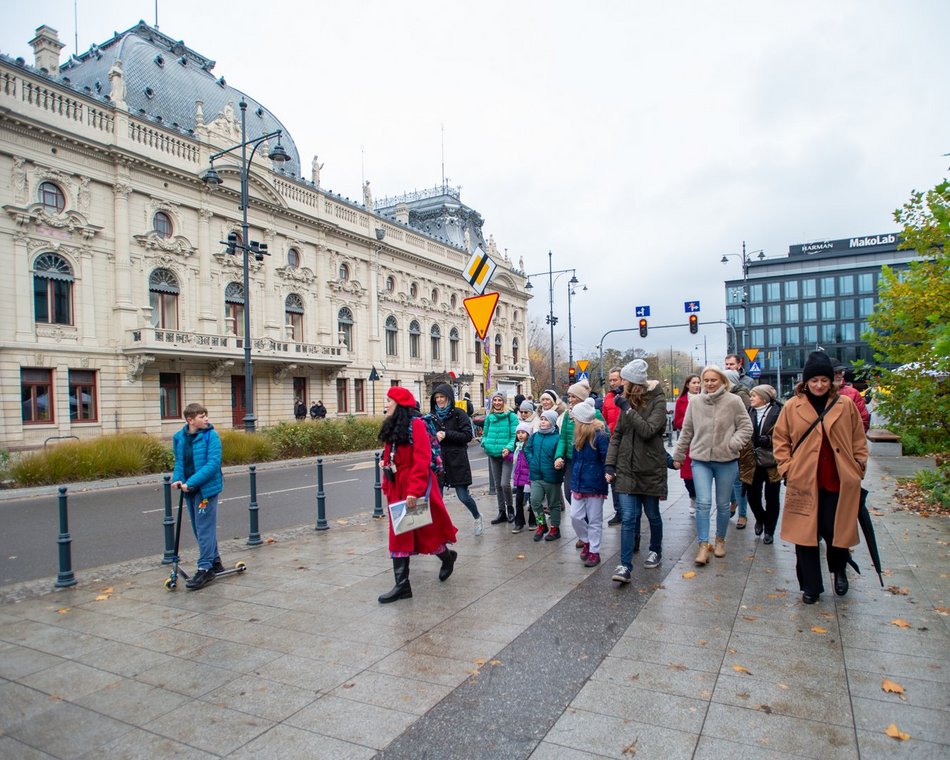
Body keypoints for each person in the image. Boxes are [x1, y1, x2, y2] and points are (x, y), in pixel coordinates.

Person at [773, 351, 868, 605]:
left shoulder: (844, 404)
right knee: (805, 535)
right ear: (805, 381)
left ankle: (839, 569)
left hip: (838, 479)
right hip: (804, 479)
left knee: (835, 531)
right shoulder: (793, 406)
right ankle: (811, 587)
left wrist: (859, 465)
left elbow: (859, 437)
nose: (818, 385)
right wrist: (787, 467)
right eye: (813, 380)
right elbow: (780, 439)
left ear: (832, 381)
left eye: (824, 380)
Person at [377, 387, 459, 604]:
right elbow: (389, 456)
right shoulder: (391, 425)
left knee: (426, 533)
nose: (385, 404)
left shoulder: (416, 425)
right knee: (399, 533)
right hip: (398, 485)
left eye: (389, 401)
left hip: (415, 485)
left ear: (399, 404)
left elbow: (422, 460)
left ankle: (447, 556)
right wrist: (386, 471)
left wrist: (414, 490)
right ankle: (402, 585)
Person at [673, 366, 753, 566]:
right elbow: (687, 430)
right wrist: (679, 454)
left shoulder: (733, 401)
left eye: (713, 380)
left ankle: (720, 540)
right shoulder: (695, 402)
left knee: (723, 504)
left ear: (722, 381)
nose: (708, 383)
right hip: (700, 460)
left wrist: (733, 443)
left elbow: (746, 426)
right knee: (703, 502)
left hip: (726, 460)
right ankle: (702, 545)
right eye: (705, 380)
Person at [606, 359, 668, 583]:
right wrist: (610, 464)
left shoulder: (657, 400)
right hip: (626, 469)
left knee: (652, 515)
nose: (620, 384)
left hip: (649, 468)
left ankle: (655, 550)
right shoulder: (627, 402)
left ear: (634, 382)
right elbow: (618, 435)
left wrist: (628, 409)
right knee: (629, 517)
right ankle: (624, 565)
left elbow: (649, 430)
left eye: (623, 380)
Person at [171, 403, 224, 590]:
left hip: (206, 490)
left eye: (206, 416)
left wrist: (191, 482)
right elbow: (179, 463)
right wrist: (177, 479)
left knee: (204, 529)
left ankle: (205, 568)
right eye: (202, 417)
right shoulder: (179, 438)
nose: (206, 419)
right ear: (190, 420)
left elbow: (212, 464)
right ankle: (215, 561)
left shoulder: (212, 436)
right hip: (189, 490)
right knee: (199, 528)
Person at [429, 383, 483, 536]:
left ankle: (477, 516)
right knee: (437, 498)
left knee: (463, 496)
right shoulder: (432, 416)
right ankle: (439, 528)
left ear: (449, 398)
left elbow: (467, 436)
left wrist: (446, 434)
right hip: (438, 461)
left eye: (442, 397)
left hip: (457, 460)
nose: (439, 400)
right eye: (437, 397)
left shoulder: (459, 413)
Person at [569, 398, 610, 567]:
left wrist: (608, 472)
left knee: (594, 519)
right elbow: (576, 459)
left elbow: (606, 457)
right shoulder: (578, 434)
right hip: (578, 481)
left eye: (575, 418)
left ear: (582, 419)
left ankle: (594, 550)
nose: (573, 420)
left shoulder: (600, 435)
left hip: (594, 482)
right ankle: (586, 540)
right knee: (575, 516)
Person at [742, 384, 783, 544]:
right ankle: (760, 518)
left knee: (772, 498)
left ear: (764, 398)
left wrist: (769, 440)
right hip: (752, 461)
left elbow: (786, 435)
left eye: (754, 395)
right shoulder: (749, 411)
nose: (751, 398)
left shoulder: (779, 412)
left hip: (772, 461)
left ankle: (770, 531)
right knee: (752, 496)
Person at [525, 409, 564, 541]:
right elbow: (527, 449)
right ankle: (541, 524)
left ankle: (555, 528)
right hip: (536, 475)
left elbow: (560, 454)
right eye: (541, 419)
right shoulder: (535, 436)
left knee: (553, 504)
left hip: (552, 477)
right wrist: (532, 461)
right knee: (535, 501)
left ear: (552, 422)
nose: (542, 422)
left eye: (546, 419)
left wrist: (558, 463)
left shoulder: (558, 438)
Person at [481, 392, 518, 525]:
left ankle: (510, 508)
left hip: (506, 454)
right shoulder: (490, 417)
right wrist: (484, 443)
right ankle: (501, 511)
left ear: (504, 402)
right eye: (495, 400)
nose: (497, 402)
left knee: (505, 484)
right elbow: (484, 434)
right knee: (497, 485)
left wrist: (508, 448)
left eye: (499, 400)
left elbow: (515, 435)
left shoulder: (511, 417)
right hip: (493, 453)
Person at [673, 374, 701, 516]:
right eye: (694, 383)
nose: (697, 385)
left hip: (702, 441)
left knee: (701, 474)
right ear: (688, 385)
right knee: (688, 476)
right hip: (687, 442)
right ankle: (693, 497)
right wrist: (689, 419)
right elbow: (676, 422)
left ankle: (701, 500)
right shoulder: (681, 401)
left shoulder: (705, 399)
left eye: (698, 382)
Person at [601, 366, 624, 526]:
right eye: (610, 380)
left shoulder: (629, 396)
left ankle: (631, 507)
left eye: (615, 379)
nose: (612, 382)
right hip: (612, 442)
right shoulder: (608, 398)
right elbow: (603, 419)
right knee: (613, 476)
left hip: (628, 441)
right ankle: (619, 511)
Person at [834, 364, 871, 432]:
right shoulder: (819, 393)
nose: (839, 376)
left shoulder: (853, 393)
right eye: (835, 373)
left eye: (840, 372)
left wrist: (856, 438)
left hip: (848, 439)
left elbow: (863, 419)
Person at [511, 422, 533, 533]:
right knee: (518, 501)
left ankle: (533, 521)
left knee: (533, 502)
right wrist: (507, 456)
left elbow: (531, 463)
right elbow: (515, 460)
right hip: (519, 480)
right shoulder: (517, 447)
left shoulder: (529, 447)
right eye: (518, 433)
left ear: (528, 434)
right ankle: (519, 522)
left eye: (523, 432)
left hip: (529, 480)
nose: (520, 435)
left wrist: (530, 478)